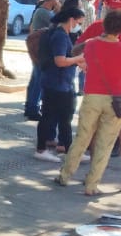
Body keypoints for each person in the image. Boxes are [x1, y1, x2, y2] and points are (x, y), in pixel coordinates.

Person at [76, 0, 121, 195]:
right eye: (112, 9)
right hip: (97, 90)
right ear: (106, 8)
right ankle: (92, 177)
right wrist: (84, 63)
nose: (116, 13)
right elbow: (77, 48)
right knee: (93, 132)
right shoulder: (97, 26)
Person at [57, 10, 121, 196]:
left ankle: (65, 175)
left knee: (82, 137)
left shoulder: (91, 45)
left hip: (92, 96)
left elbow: (79, 54)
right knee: (105, 143)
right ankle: (91, 185)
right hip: (117, 99)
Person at [34, 8, 85, 162]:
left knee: (60, 117)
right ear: (71, 19)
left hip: (57, 82)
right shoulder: (60, 36)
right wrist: (78, 59)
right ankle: (45, 149)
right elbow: (60, 60)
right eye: (78, 22)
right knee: (57, 117)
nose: (78, 25)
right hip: (58, 83)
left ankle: (66, 149)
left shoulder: (56, 33)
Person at [23, 0, 61, 121]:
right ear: (53, 0)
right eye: (57, 0)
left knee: (36, 78)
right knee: (39, 79)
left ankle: (30, 106)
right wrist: (59, 10)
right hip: (40, 49)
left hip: (38, 48)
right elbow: (57, 24)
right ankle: (33, 108)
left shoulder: (42, 11)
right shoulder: (44, 12)